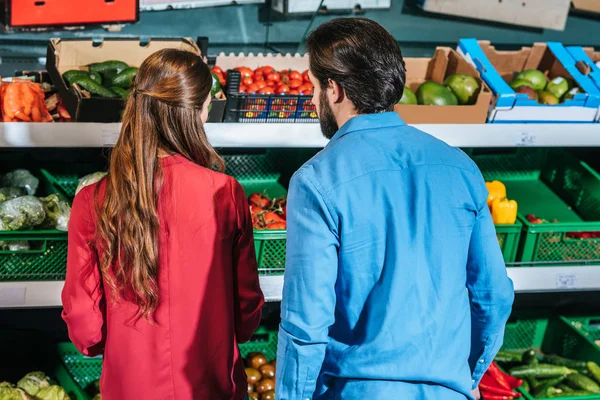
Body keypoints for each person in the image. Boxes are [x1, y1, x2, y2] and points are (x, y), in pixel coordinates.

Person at [276, 18, 514, 400]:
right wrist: (464, 376)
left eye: (315, 86)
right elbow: (493, 294)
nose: (314, 97)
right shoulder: (461, 167)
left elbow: (306, 325)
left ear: (334, 90)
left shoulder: (316, 180)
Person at [62, 49, 264, 400]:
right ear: (198, 112)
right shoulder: (225, 192)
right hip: (211, 383)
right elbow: (246, 309)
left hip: (130, 386)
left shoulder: (92, 200)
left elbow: (85, 326)